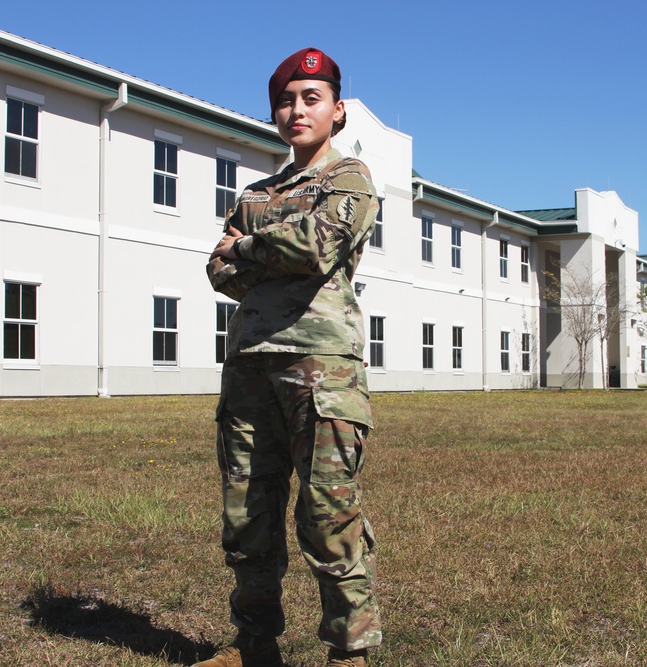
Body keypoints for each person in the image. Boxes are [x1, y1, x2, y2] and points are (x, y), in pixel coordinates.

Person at [195, 47, 381, 667]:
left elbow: (318, 242)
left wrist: (248, 246)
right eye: (285, 99)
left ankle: (349, 653)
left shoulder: (349, 179)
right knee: (248, 517)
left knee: (328, 515)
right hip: (249, 369)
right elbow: (217, 269)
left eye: (311, 98)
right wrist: (257, 251)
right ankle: (255, 647)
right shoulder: (257, 191)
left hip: (322, 373)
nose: (296, 109)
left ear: (337, 111)